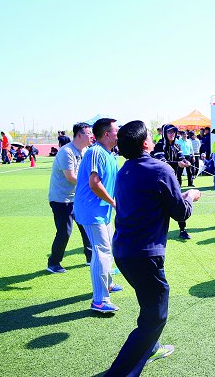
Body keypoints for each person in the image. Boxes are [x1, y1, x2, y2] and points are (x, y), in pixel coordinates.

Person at [105, 120, 201, 376]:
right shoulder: (160, 169)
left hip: (124, 252)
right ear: (146, 142)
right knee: (155, 316)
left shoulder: (125, 170)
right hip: (143, 256)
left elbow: (152, 202)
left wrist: (182, 197)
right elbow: (180, 212)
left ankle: (152, 347)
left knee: (149, 305)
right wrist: (191, 196)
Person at [74, 118, 122, 313]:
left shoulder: (110, 155)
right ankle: (99, 300)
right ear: (107, 134)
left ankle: (108, 284)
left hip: (103, 211)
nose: (119, 133)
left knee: (108, 248)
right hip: (91, 211)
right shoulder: (95, 152)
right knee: (101, 251)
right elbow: (94, 183)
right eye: (117, 130)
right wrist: (113, 202)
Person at [46, 122, 94, 273]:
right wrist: (91, 185)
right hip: (61, 199)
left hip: (77, 197)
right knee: (64, 231)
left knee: (86, 227)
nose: (92, 136)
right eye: (89, 133)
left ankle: (91, 257)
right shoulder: (66, 152)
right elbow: (71, 177)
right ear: (79, 135)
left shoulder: (85, 150)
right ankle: (53, 263)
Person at [153, 125, 192, 239]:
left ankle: (183, 229)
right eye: (169, 132)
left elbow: (181, 157)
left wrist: (185, 161)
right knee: (159, 206)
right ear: (164, 133)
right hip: (160, 182)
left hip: (174, 180)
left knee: (179, 203)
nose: (172, 134)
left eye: (174, 132)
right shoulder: (159, 145)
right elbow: (162, 163)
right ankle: (157, 231)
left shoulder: (177, 146)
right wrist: (177, 164)